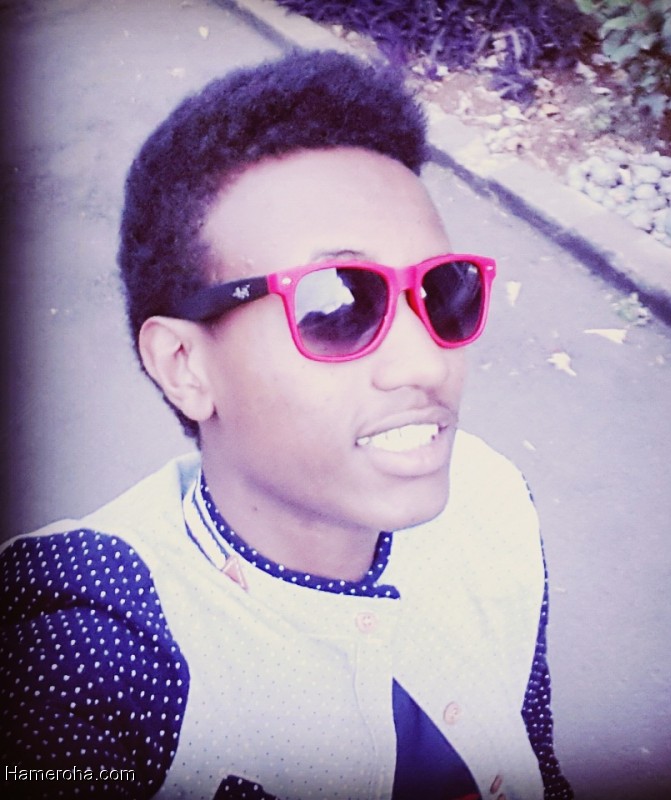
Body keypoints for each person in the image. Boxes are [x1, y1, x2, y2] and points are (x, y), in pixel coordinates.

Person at [0, 50, 572, 800]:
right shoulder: (92, 659)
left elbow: (535, 754)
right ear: (185, 365)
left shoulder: (492, 503)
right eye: (338, 303)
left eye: (442, 289)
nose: (428, 363)